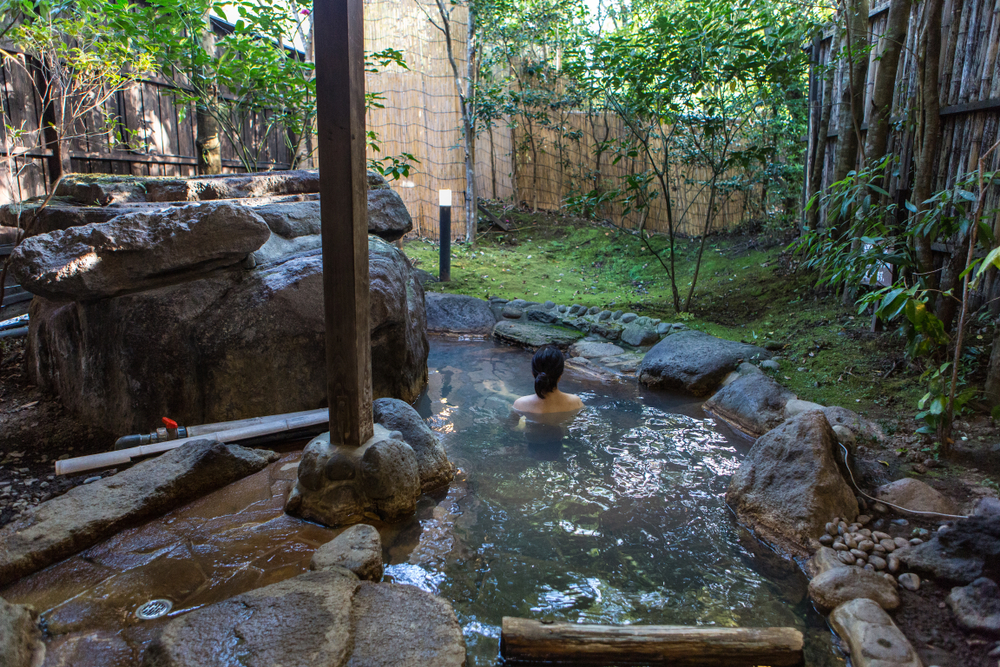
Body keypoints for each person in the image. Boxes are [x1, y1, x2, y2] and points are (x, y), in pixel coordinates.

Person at [512, 345, 583, 414]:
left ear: (533, 374)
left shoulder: (520, 405)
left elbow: (511, 424)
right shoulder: (576, 403)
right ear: (560, 374)